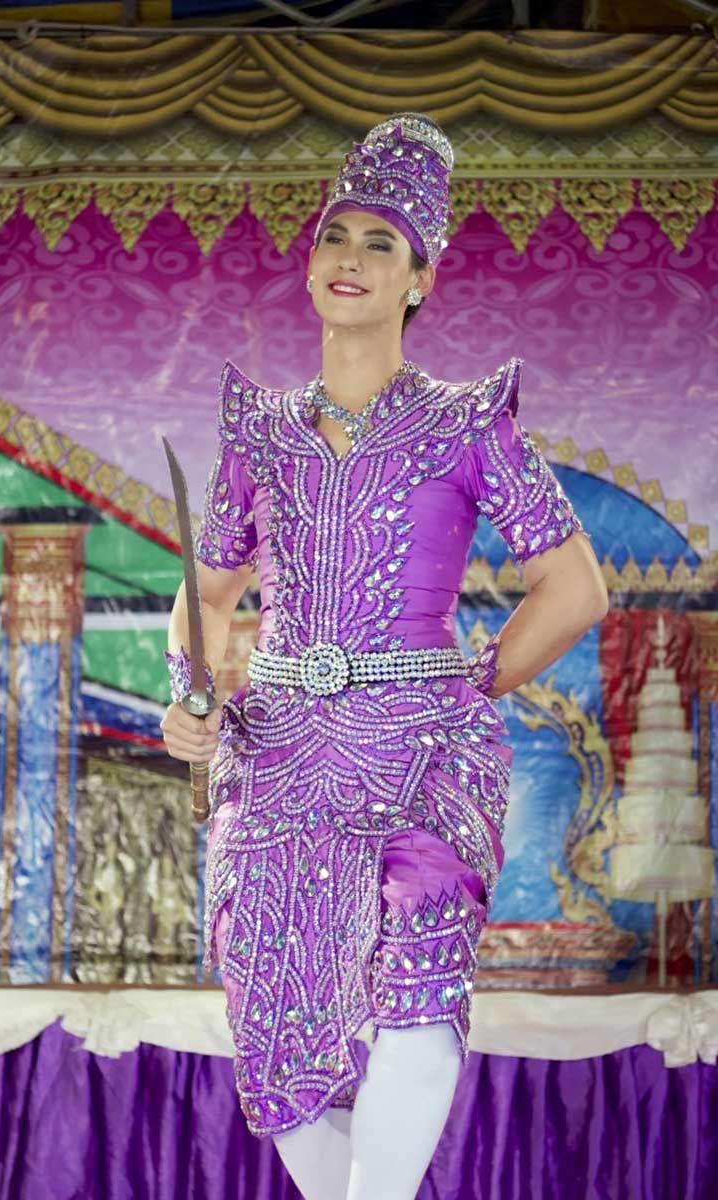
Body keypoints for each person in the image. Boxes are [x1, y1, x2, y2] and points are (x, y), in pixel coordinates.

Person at [161, 112, 608, 1200]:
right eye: (335, 235)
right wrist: (191, 694)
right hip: (277, 758)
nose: (349, 258)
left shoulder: (466, 422)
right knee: (277, 1032)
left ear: (420, 280)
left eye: (381, 243)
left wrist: (467, 684)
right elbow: (207, 597)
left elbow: (574, 587)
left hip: (420, 753)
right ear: (311, 262)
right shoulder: (261, 432)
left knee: (418, 962)